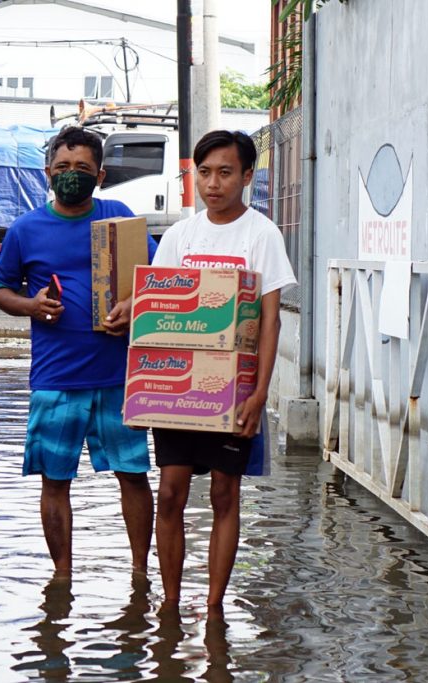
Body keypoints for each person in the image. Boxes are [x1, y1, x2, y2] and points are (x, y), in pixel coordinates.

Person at [0, 126, 158, 577]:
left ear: (99, 175)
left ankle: (141, 571)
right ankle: (61, 574)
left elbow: (157, 278)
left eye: (82, 168)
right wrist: (31, 305)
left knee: (134, 475)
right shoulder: (26, 229)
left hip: (119, 377)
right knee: (55, 479)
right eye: (63, 167)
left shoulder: (119, 217)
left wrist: (134, 303)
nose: (71, 175)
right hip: (56, 379)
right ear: (47, 173)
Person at [150, 130, 296, 608]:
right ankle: (170, 603)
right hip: (178, 389)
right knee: (170, 492)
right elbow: (160, 306)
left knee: (223, 492)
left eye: (225, 172)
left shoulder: (262, 234)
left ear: (247, 176)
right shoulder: (180, 235)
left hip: (235, 392)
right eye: (204, 173)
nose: (213, 184)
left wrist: (259, 395)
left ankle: (213, 607)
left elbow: (271, 322)